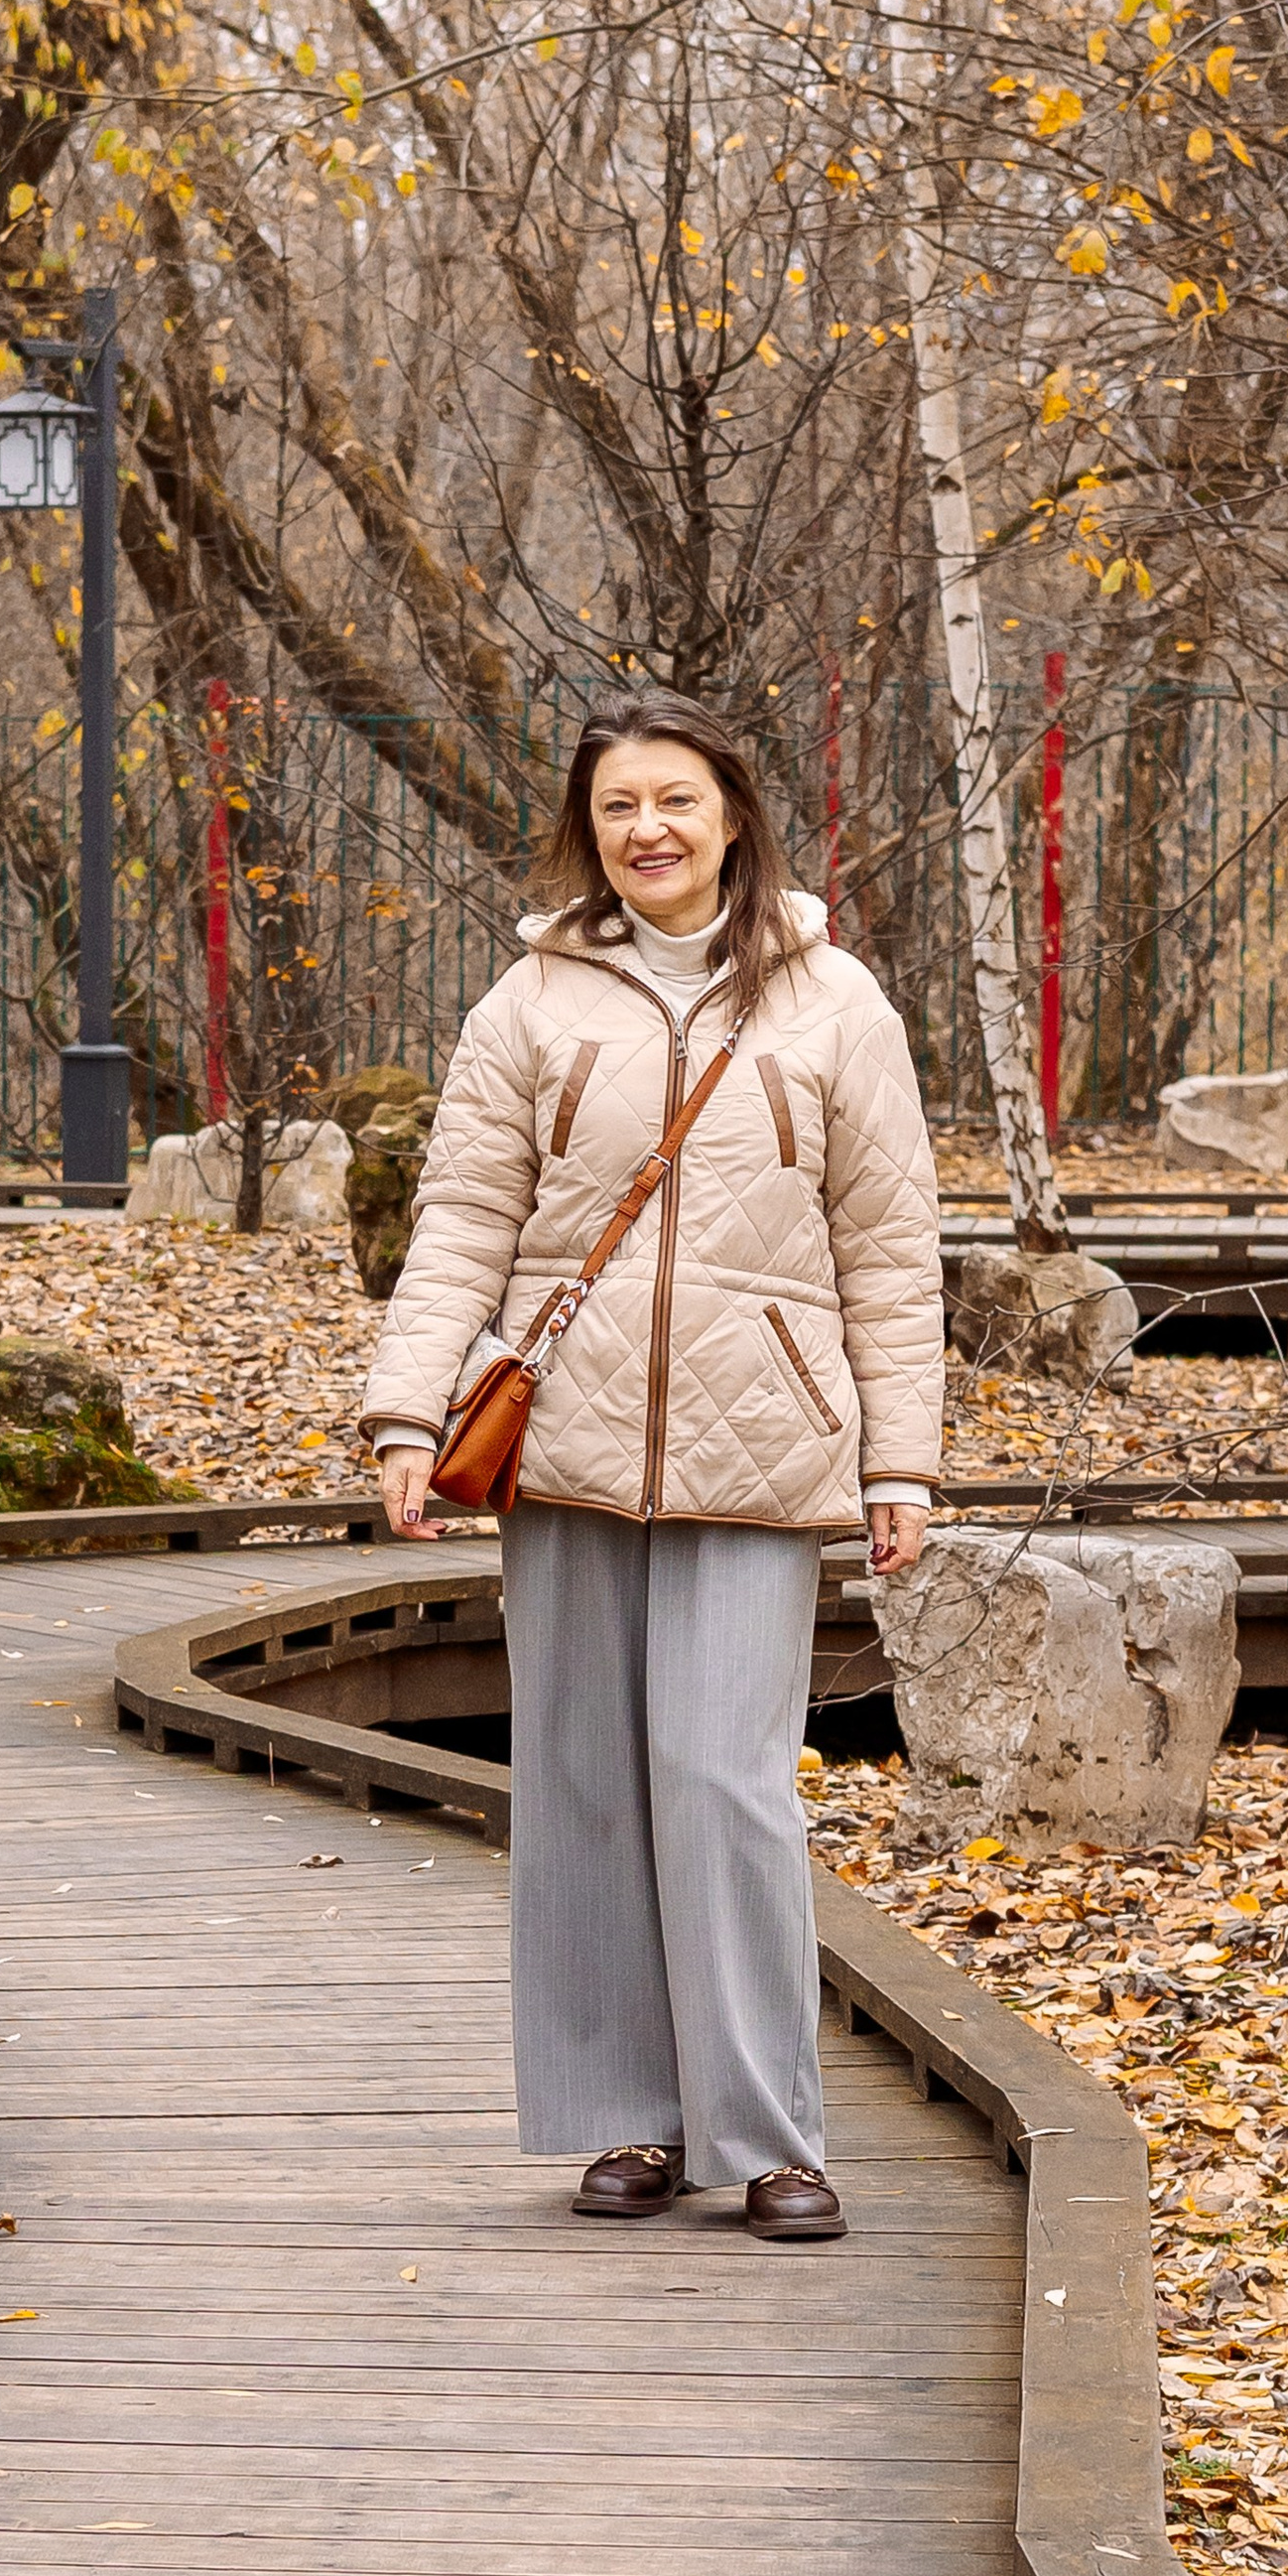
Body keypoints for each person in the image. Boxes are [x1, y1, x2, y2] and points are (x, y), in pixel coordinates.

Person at [360, 684, 944, 2241]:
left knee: (722, 1776)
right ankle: (627, 2117)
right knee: (583, 1778)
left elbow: (889, 1251)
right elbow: (464, 1227)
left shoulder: (836, 1003)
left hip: (764, 1445)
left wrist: (904, 1460)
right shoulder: (534, 1003)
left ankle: (769, 2137)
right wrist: (410, 1414)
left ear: (734, 813)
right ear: (590, 828)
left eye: (676, 799)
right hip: (565, 1442)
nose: (650, 830)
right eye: (620, 807)